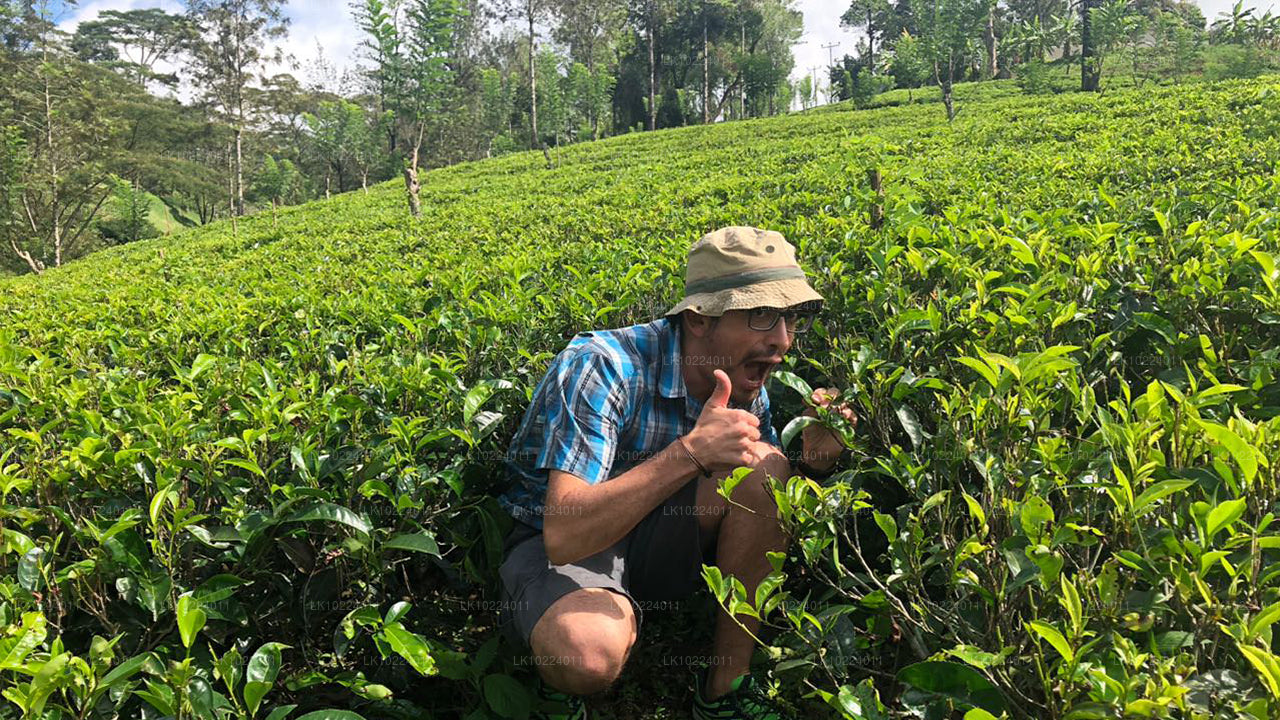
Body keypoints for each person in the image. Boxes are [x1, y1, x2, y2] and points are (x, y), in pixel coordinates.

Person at [495, 226, 854, 719]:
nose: (782, 341)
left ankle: (726, 691)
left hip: (663, 532)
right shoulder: (603, 366)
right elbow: (565, 534)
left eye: (790, 319)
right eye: (763, 316)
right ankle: (560, 683)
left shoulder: (745, 378)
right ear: (699, 319)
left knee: (765, 465)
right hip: (564, 545)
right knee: (585, 653)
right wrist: (689, 453)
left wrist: (814, 463)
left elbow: (757, 501)